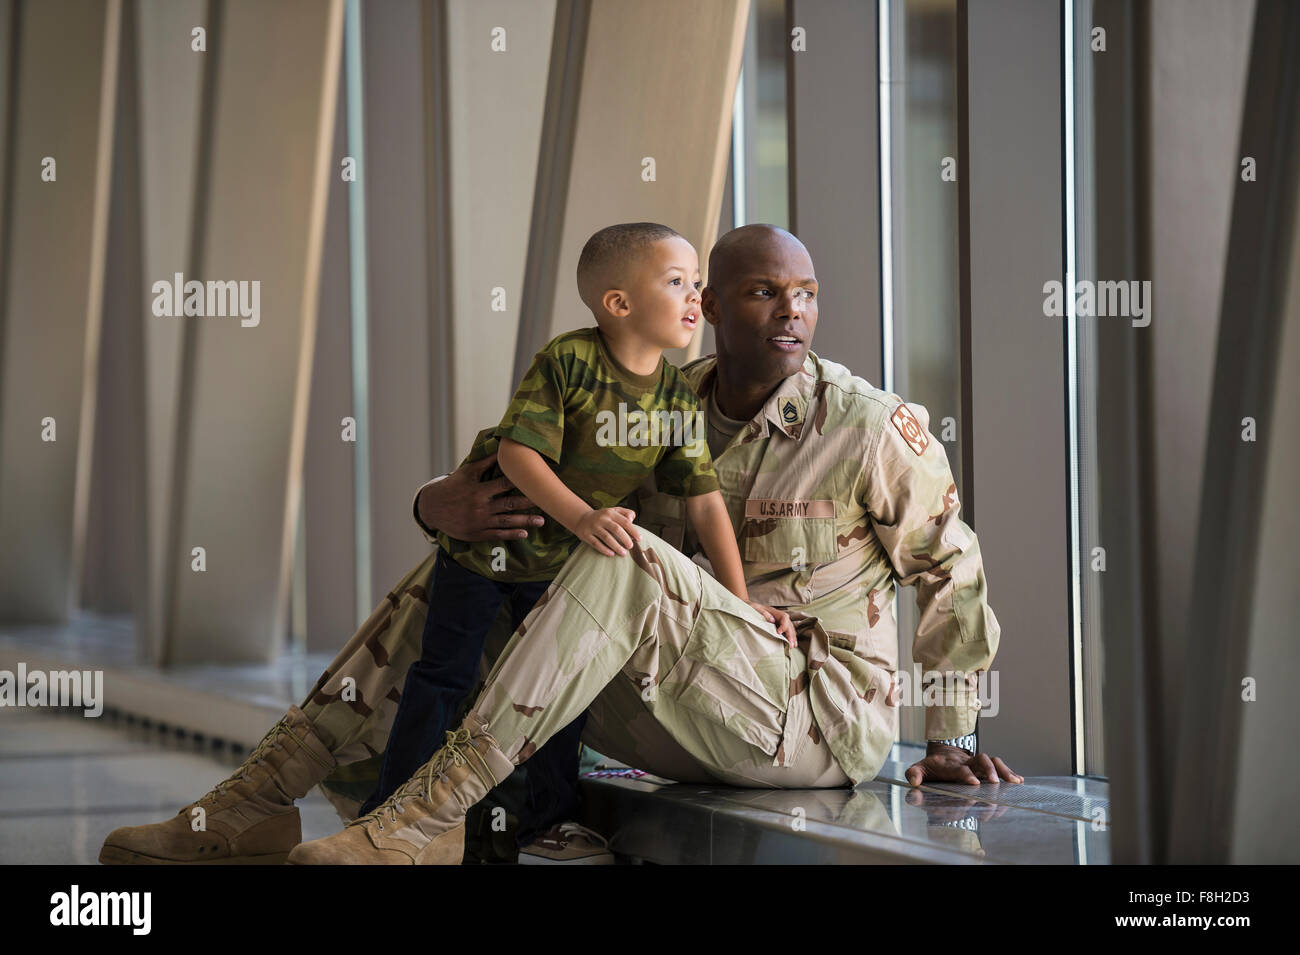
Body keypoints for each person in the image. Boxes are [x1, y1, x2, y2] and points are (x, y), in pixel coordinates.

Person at [99, 224, 1021, 867]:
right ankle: (257, 801)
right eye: (763, 291)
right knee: (491, 547)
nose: (793, 312)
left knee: (621, 553)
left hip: (804, 717)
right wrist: (436, 507)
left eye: (807, 295)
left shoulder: (863, 427)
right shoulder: (656, 393)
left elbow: (953, 567)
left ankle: (425, 817)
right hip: (675, 696)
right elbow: (508, 471)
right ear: (708, 302)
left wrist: (953, 735)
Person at [361, 221, 791, 833]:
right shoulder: (569, 361)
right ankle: (390, 812)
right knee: (446, 677)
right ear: (618, 304)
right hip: (489, 550)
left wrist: (741, 606)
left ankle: (549, 819)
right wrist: (583, 516)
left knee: (558, 691)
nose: (697, 297)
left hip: (562, 568)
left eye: (697, 283)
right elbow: (518, 455)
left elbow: (704, 502)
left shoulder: (673, 398)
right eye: (677, 282)